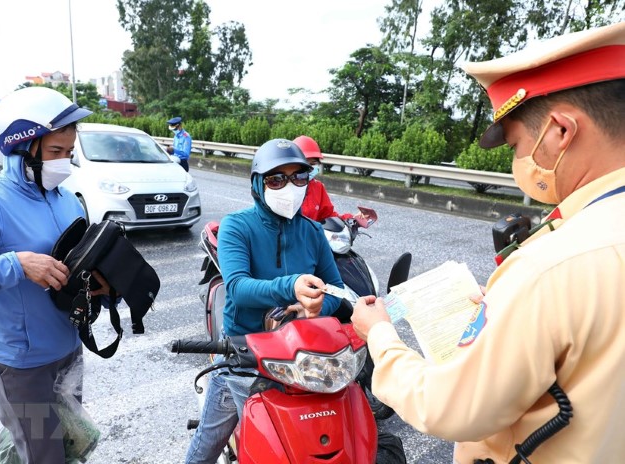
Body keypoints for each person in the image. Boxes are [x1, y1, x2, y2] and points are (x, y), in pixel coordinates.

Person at [351, 22, 625, 464]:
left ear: (559, 131)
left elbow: (446, 406)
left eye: (517, 144)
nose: (519, 161)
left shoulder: (549, 269)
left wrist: (379, 334)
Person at [0, 86, 109, 463]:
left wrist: (102, 287)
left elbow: (77, 264)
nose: (65, 162)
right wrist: (16, 265)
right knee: (43, 456)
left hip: (67, 351)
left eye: (69, 153)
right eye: (55, 152)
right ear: (22, 147)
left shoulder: (65, 197)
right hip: (21, 366)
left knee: (69, 448)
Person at [185, 138, 344, 463]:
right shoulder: (237, 226)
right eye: (276, 179)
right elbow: (239, 287)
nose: (289, 186)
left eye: (299, 177)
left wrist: (315, 307)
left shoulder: (313, 232)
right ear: (258, 184)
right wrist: (293, 285)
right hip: (245, 352)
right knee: (213, 441)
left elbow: (336, 290)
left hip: (301, 354)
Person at [292, 135, 351, 222]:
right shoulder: (284, 187)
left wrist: (350, 219)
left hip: (311, 235)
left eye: (313, 164)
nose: (309, 168)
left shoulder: (318, 187)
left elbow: (328, 215)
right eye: (305, 164)